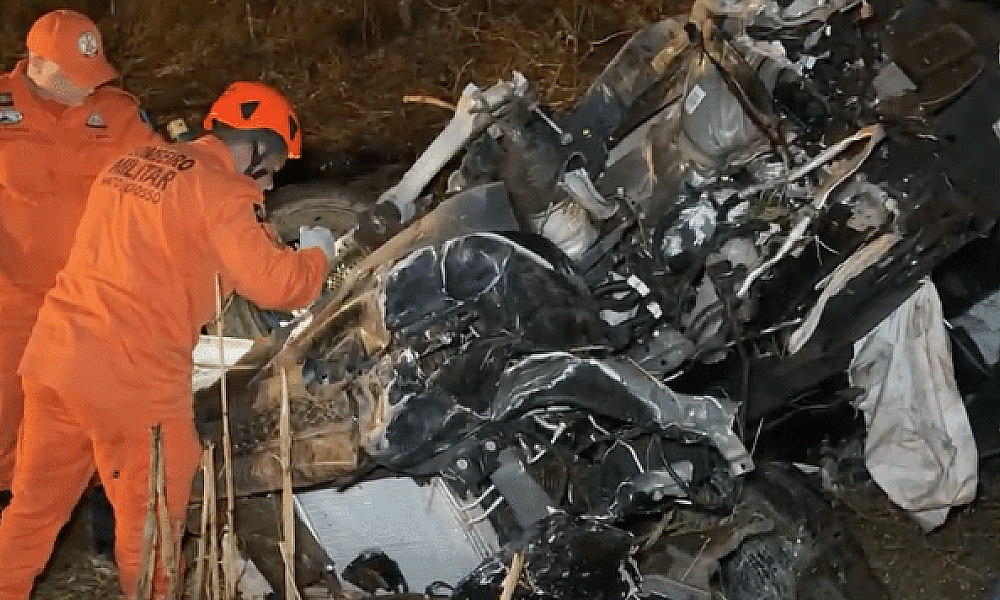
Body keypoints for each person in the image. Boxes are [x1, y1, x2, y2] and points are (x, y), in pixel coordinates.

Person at [0, 80, 336, 598]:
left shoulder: (136, 161)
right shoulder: (225, 191)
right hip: (131, 380)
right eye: (273, 167)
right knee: (152, 537)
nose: (269, 183)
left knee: (28, 521)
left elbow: (176, 244)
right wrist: (318, 255)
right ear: (259, 148)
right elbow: (279, 285)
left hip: (55, 358)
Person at [0, 9, 160, 502]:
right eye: (77, 77)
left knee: (88, 429)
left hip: (87, 307)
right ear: (38, 65)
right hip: (8, 305)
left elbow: (167, 178)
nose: (89, 89)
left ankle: (103, 534)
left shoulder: (118, 114)